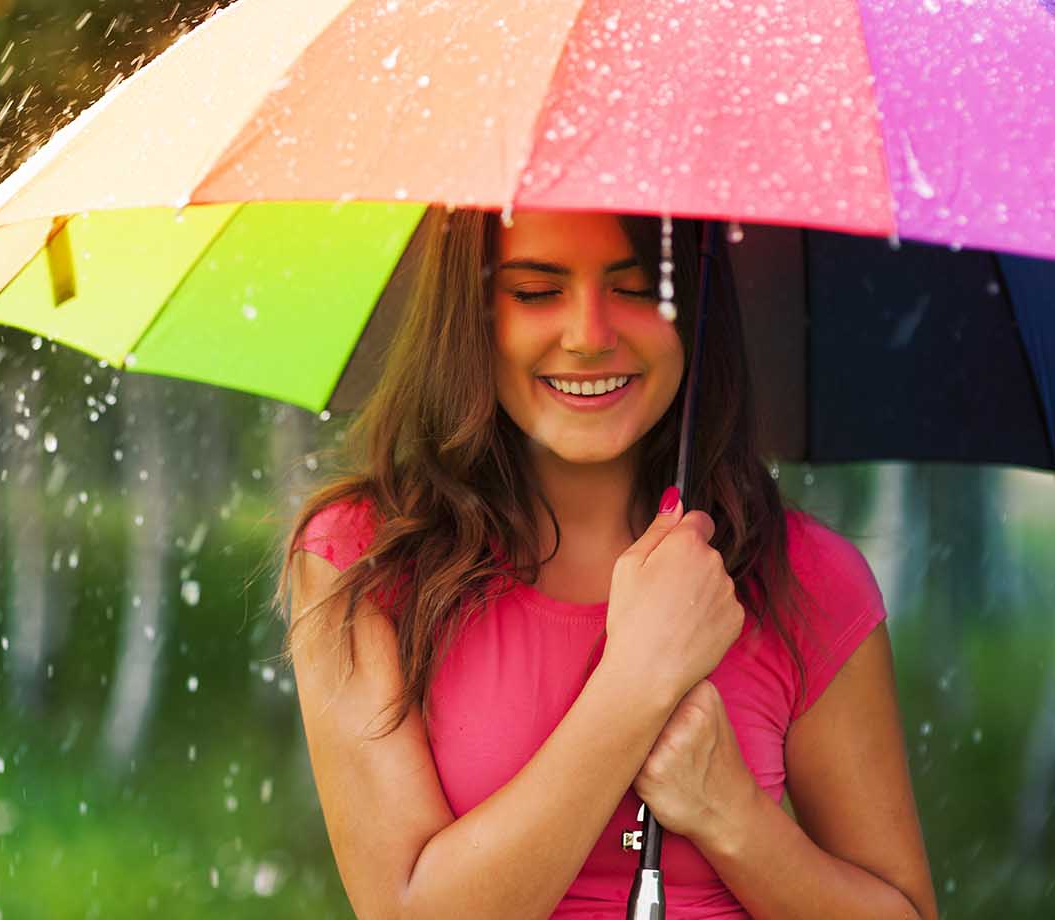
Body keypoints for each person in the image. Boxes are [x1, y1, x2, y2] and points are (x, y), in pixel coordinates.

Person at [271, 207, 938, 919]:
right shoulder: (360, 562)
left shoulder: (806, 576)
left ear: (696, 309)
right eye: (535, 292)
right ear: (470, 311)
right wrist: (636, 683)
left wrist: (731, 815)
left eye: (641, 287)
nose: (589, 336)